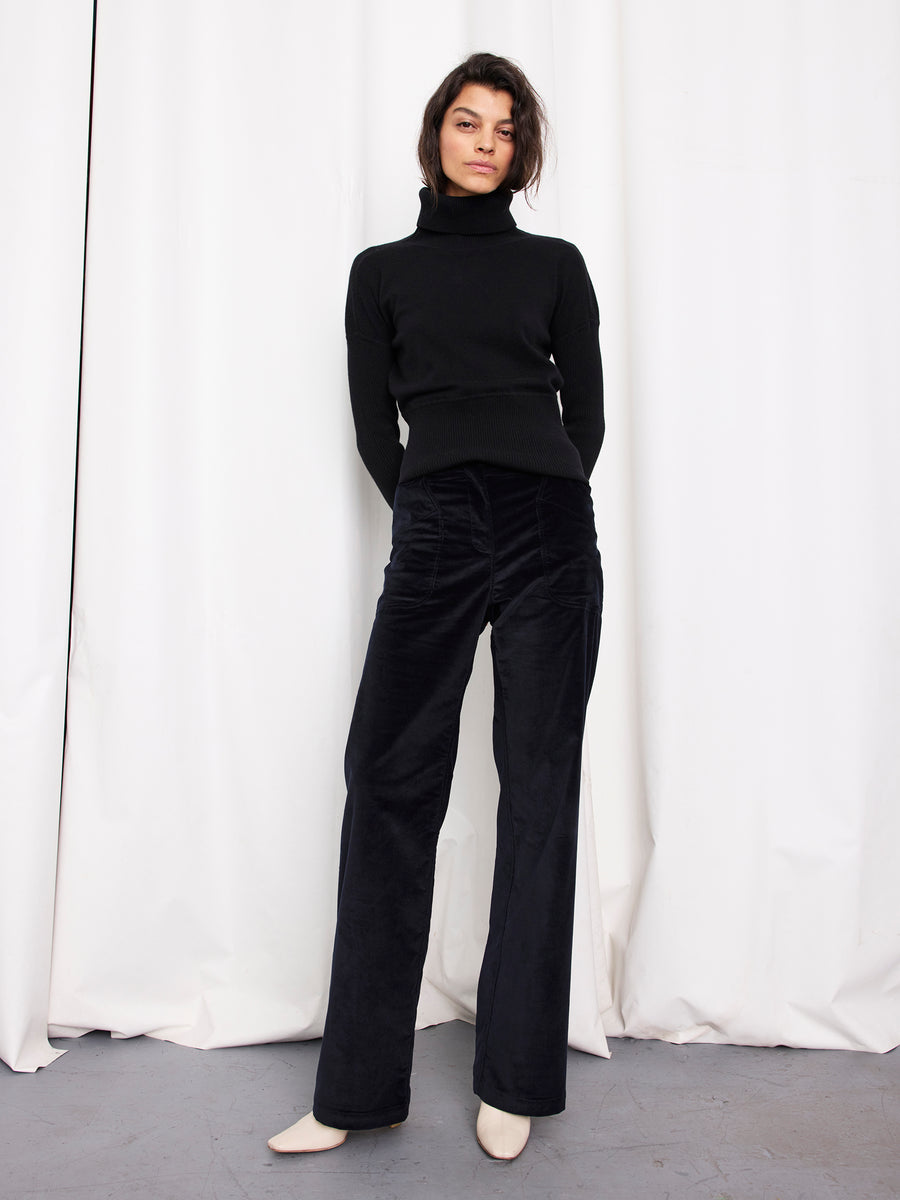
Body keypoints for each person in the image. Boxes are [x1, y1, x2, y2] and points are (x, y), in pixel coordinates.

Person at [268, 51, 604, 1161]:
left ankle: (513, 1077)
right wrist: (429, 511)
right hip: (437, 526)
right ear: (435, 135)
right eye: (468, 122)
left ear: (521, 154)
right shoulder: (380, 273)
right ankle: (356, 1091)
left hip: (550, 529)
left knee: (538, 790)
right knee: (389, 779)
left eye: (504, 131)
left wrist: (540, 493)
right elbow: (376, 427)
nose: (484, 142)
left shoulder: (557, 265)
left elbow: (586, 420)